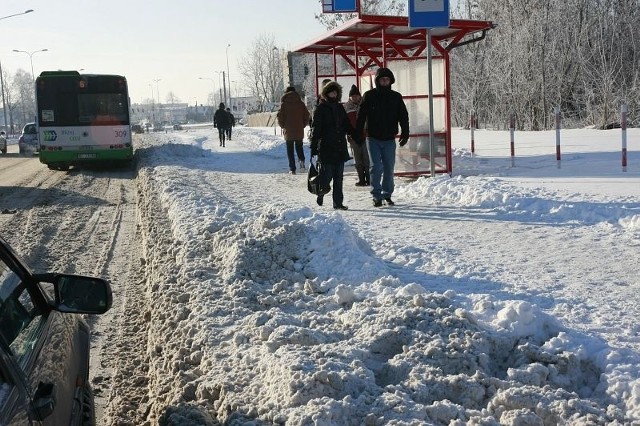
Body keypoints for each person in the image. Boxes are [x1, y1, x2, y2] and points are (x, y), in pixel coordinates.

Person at [355, 67, 409, 207]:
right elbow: (361, 116)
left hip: (389, 138)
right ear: (377, 81)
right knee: (376, 166)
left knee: (389, 167)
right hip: (373, 137)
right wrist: (358, 133)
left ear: (390, 81)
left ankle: (387, 194)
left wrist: (405, 131)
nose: (384, 82)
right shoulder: (369, 96)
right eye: (382, 79)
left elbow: (403, 115)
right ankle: (376, 195)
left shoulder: (396, 97)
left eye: (387, 79)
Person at [310, 81, 354, 210]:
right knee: (327, 176)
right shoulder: (320, 108)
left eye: (335, 92)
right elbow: (316, 129)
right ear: (326, 93)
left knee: (338, 178)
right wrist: (313, 146)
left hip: (339, 146)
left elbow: (346, 124)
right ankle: (321, 192)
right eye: (331, 91)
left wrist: (355, 135)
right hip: (326, 147)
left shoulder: (339, 108)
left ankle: (338, 203)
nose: (333, 94)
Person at [276, 86, 310, 175]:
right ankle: (302, 163)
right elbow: (307, 115)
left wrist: (283, 126)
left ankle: (292, 169)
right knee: (299, 147)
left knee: (290, 150)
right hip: (299, 129)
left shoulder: (284, 104)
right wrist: (303, 124)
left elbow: (280, 117)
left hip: (288, 130)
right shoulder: (301, 103)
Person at [343, 85, 370, 186]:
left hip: (365, 135)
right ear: (350, 97)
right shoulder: (346, 107)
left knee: (366, 158)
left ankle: (369, 178)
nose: (355, 97)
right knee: (357, 159)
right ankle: (361, 179)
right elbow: (344, 122)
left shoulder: (364, 105)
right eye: (353, 96)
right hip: (353, 137)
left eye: (356, 95)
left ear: (360, 96)